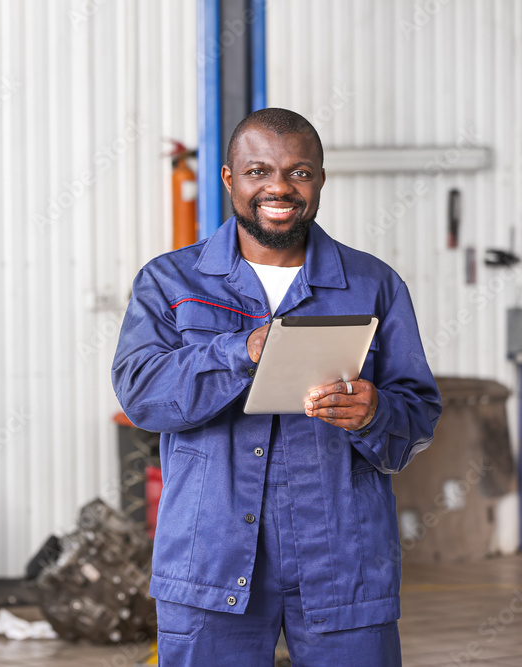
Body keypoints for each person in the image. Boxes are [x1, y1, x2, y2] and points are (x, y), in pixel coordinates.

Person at [112, 108, 442, 666]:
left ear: (319, 178)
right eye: (258, 171)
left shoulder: (372, 285)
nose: (279, 188)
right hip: (208, 559)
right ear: (229, 179)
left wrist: (375, 411)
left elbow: (417, 421)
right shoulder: (170, 282)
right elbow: (142, 394)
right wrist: (241, 350)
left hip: (343, 562)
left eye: (300, 172)